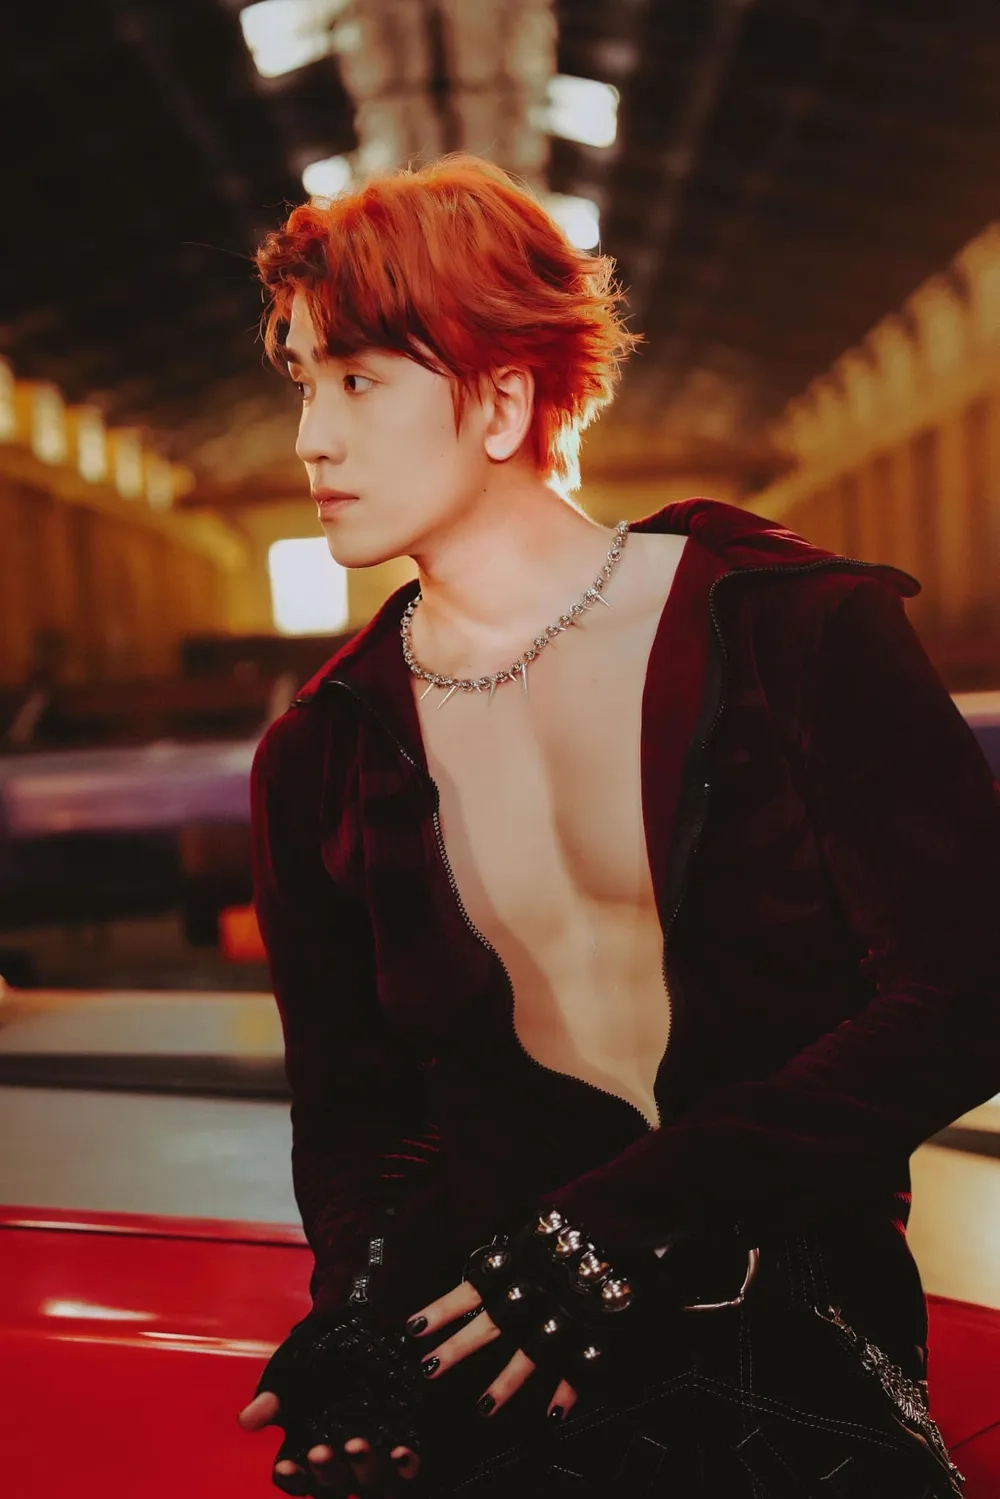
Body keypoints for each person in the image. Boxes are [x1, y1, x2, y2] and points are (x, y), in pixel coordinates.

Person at [237, 155, 999, 1498]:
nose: (310, 438)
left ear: (502, 400)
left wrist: (623, 1223)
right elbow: (356, 1115)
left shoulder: (795, 629)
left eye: (356, 381)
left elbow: (969, 988)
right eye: (303, 381)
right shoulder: (319, 756)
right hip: (505, 1373)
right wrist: (360, 1318)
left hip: (795, 1366)